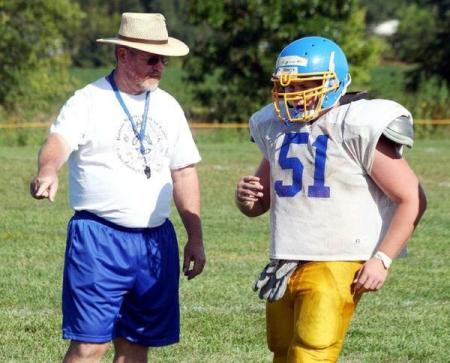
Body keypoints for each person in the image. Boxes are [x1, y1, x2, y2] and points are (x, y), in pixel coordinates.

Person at [235, 36, 427, 362]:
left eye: (306, 84)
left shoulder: (353, 125)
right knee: (281, 349)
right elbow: (260, 203)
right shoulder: (277, 126)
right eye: (290, 86)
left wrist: (382, 258)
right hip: (286, 257)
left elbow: (412, 198)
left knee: (312, 350)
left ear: (335, 82)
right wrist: (246, 198)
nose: (296, 94)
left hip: (338, 257)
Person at [30, 12, 205, 363]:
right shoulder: (88, 100)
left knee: (136, 345)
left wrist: (195, 237)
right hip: (100, 239)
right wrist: (48, 170)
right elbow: (58, 142)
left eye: (163, 60)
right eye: (150, 58)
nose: (159, 66)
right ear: (122, 54)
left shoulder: (168, 106)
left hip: (156, 241)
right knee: (90, 346)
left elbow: (184, 172)